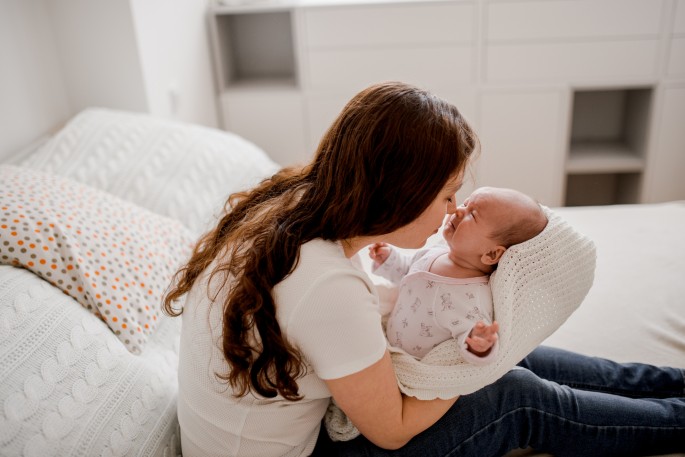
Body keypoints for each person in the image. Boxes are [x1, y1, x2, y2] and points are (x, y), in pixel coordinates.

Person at [163, 81, 685, 457]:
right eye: (446, 194)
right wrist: (474, 367)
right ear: (401, 194)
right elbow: (392, 432)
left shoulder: (290, 201)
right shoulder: (325, 286)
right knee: (513, 393)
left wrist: (493, 353)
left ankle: (672, 383)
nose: (452, 210)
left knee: (522, 356)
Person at [370, 186, 547, 363]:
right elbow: (408, 270)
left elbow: (473, 340)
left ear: (491, 254)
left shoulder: (471, 296)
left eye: (473, 215)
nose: (458, 210)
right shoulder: (437, 251)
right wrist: (388, 259)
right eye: (466, 203)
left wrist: (480, 346)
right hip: (387, 343)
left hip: (413, 363)